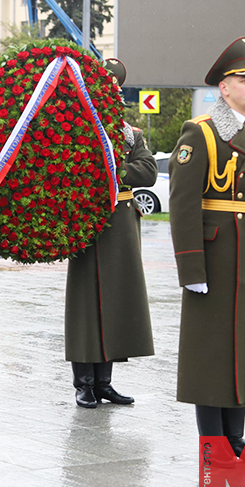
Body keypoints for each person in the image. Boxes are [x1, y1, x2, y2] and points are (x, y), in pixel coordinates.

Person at [169, 37, 245, 464]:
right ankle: (212, 445)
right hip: (215, 258)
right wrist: (190, 267)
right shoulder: (200, 132)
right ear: (224, 87)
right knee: (212, 352)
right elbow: (183, 206)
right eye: (243, 79)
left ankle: (236, 441)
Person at [64, 58, 157, 409]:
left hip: (120, 224)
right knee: (87, 303)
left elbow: (147, 171)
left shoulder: (129, 133)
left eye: (117, 90)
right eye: (107, 88)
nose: (113, 95)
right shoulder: (78, 130)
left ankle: (105, 382)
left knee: (116, 303)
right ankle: (84, 383)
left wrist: (110, 169)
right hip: (87, 220)